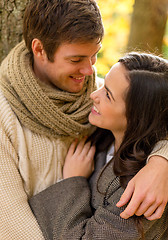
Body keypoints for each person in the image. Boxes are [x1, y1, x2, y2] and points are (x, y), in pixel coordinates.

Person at [0, 0, 167, 238]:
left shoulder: (107, 103)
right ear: (39, 50)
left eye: (95, 55)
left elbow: (155, 117)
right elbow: (12, 223)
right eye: (76, 60)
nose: (90, 72)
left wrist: (162, 162)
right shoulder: (5, 117)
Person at [29, 52, 168, 239]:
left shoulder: (140, 193)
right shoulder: (106, 136)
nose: (94, 95)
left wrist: (73, 181)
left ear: (137, 117)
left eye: (108, 95)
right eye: (104, 85)